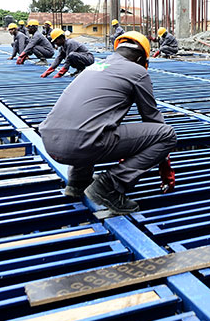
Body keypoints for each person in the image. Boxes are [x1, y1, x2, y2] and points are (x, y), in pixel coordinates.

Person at [40, 31, 177, 214]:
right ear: (140, 59)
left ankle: (77, 184)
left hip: (51, 142)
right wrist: (166, 171)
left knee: (92, 123)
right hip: (83, 143)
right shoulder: (137, 71)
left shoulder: (94, 67)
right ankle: (109, 187)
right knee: (167, 135)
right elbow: (153, 120)